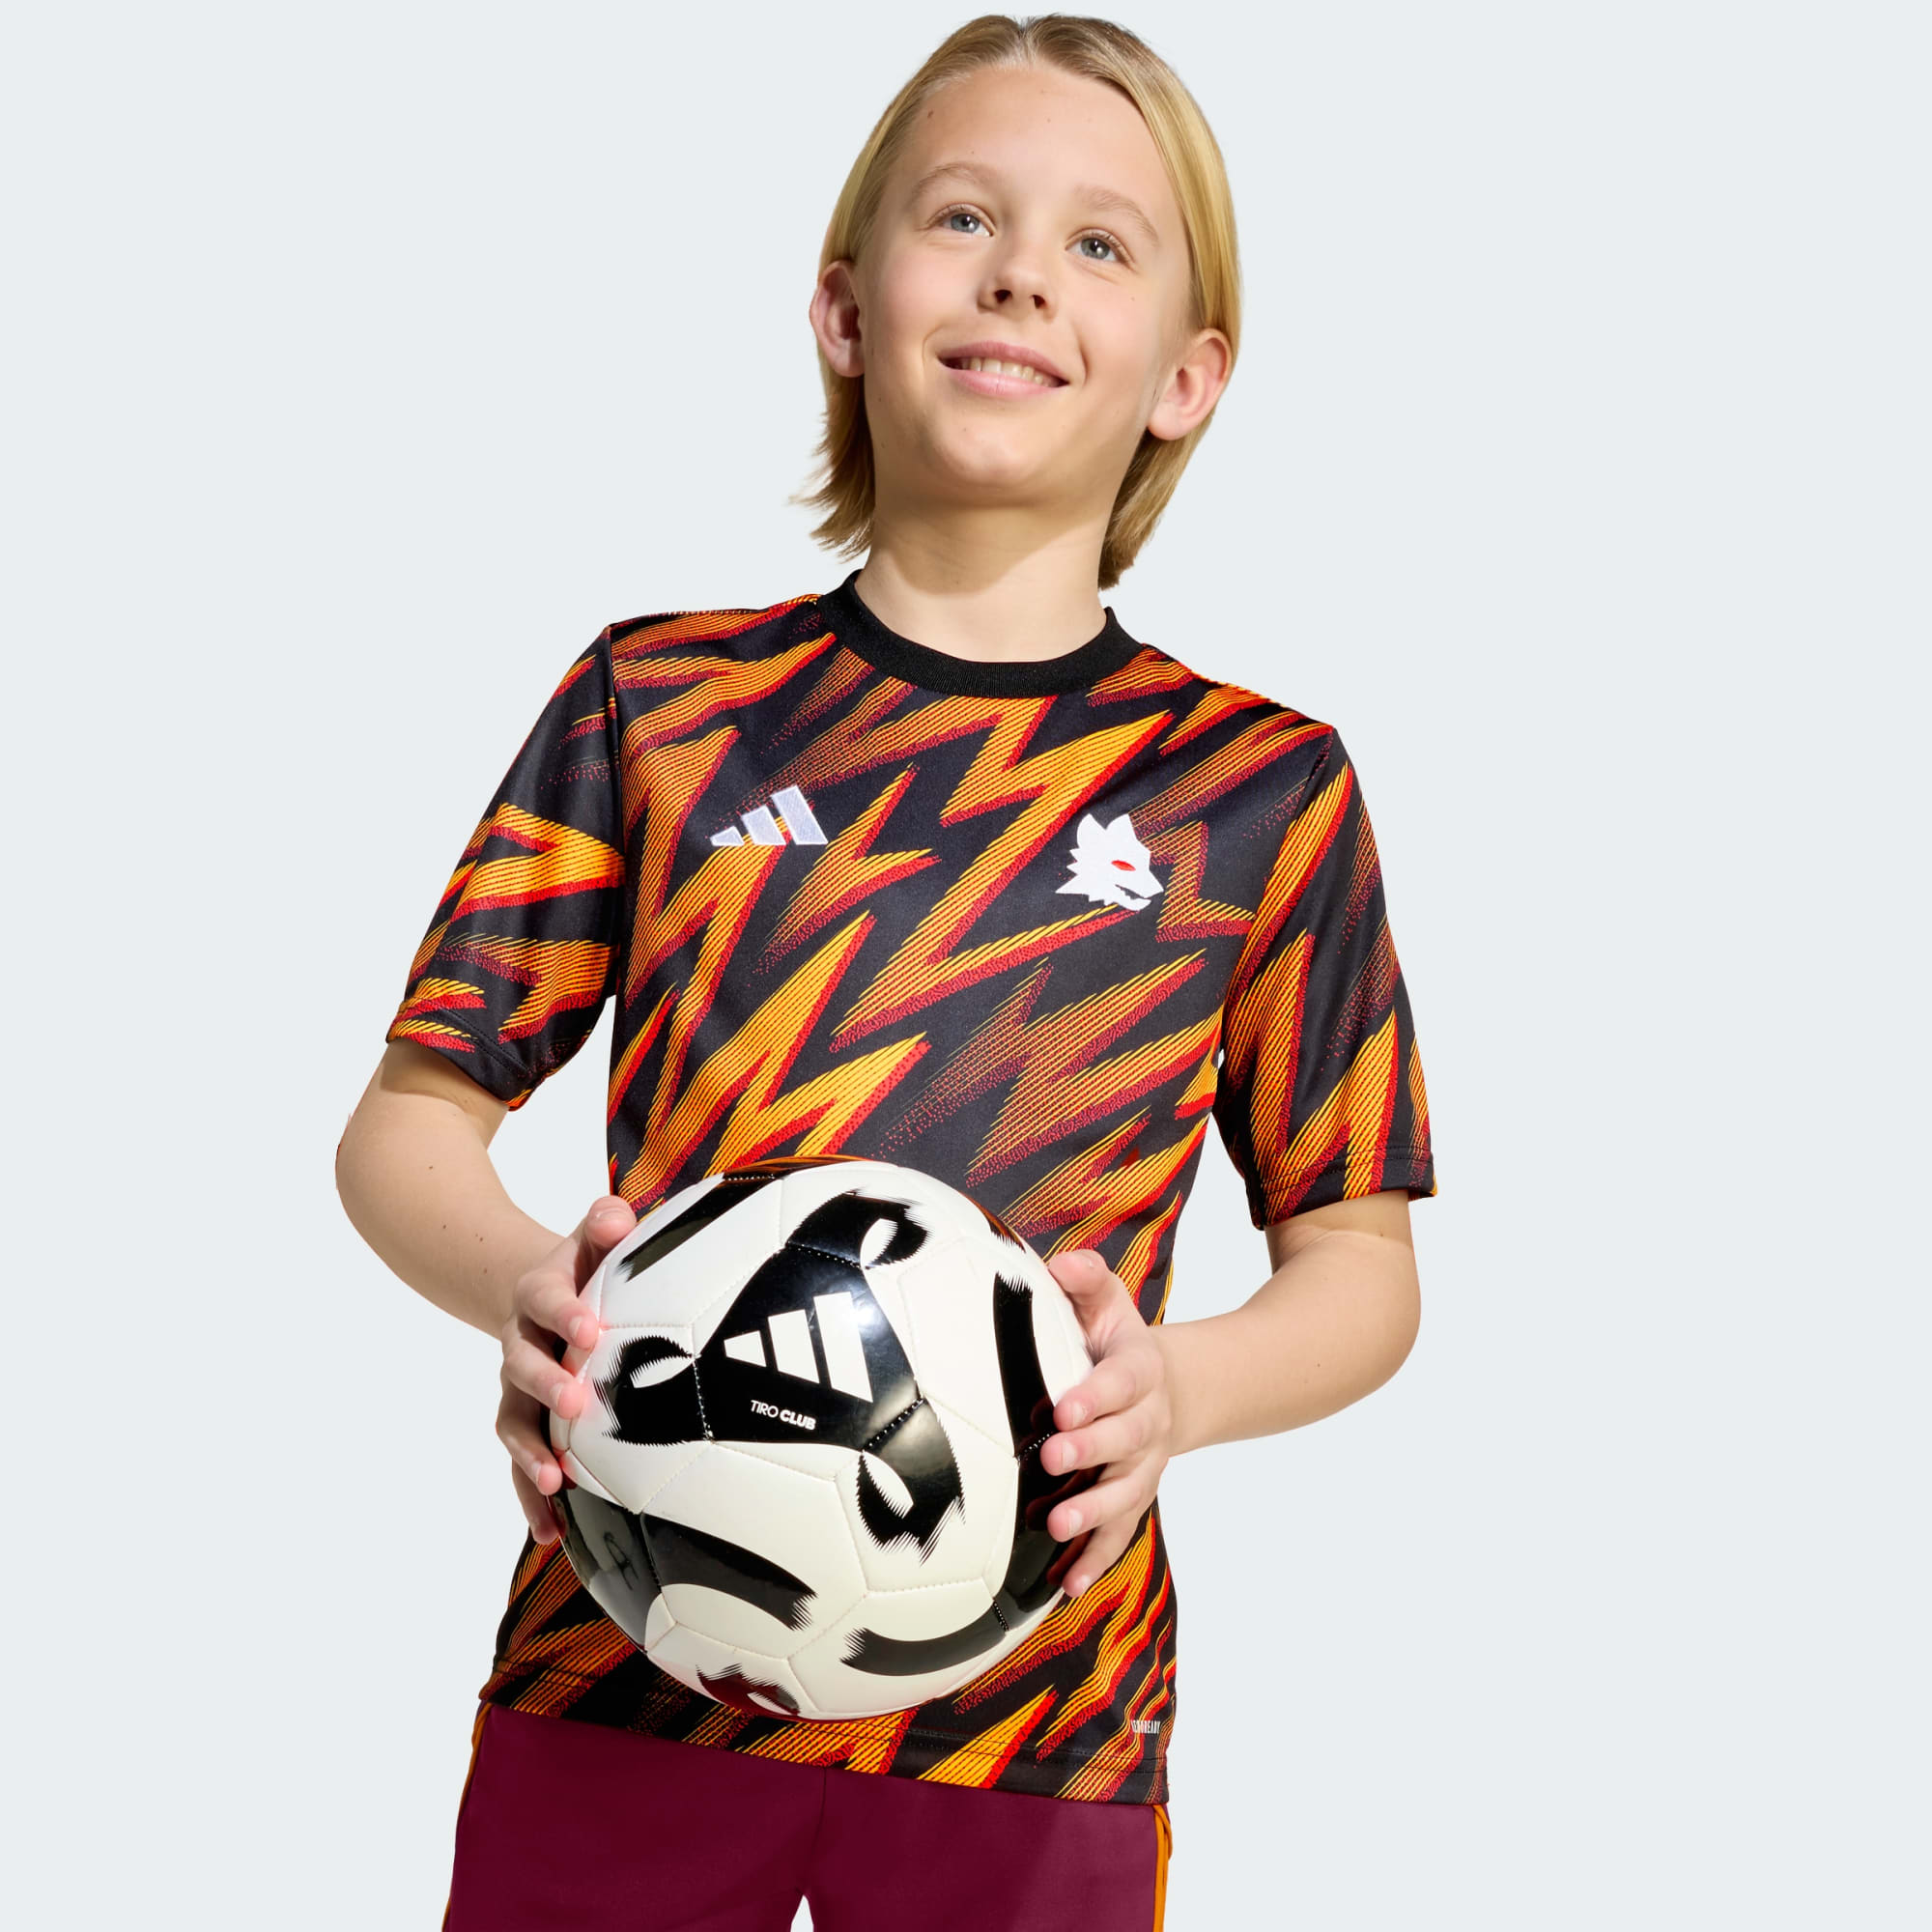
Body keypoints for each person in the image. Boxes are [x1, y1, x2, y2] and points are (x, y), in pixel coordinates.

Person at [336, 14, 1436, 1929]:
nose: (1021, 273)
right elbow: (404, 1125)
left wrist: (1176, 1384)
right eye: (963, 217)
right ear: (845, 309)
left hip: (1038, 1722)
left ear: (1188, 377)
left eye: (1101, 241)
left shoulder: (1260, 791)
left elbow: (1361, 1266)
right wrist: (537, 1291)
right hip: (625, 1664)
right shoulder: (662, 705)